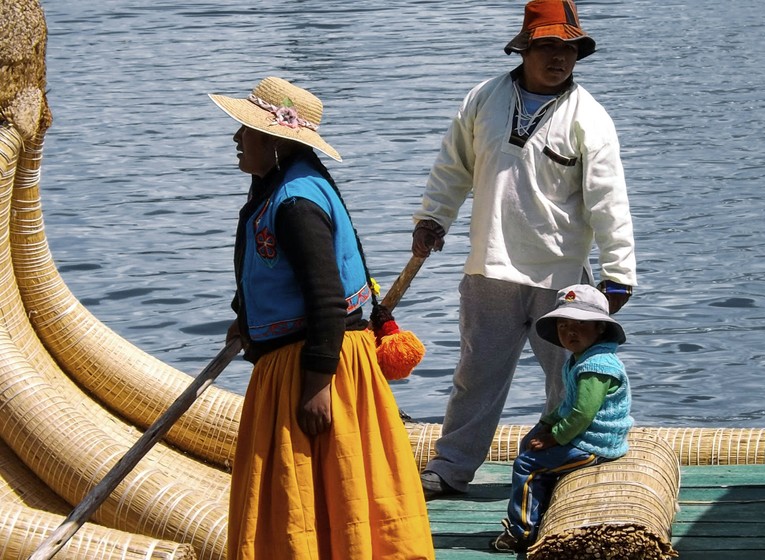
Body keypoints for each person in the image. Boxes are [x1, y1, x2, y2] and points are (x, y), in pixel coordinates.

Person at [412, 0, 637, 499]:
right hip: (487, 268)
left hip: (560, 280)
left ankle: (567, 467)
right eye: (549, 46)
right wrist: (433, 217)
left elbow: (609, 199)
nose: (559, 57)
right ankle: (450, 468)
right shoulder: (484, 99)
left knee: (569, 383)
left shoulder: (590, 119)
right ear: (525, 48)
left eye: (569, 48)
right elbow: (454, 166)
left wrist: (618, 272)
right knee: (476, 376)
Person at [209, 77, 434, 560]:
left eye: (244, 130)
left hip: (316, 366)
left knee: (312, 490)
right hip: (314, 360)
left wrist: (315, 384)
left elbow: (326, 297)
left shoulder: (295, 203)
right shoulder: (285, 185)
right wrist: (244, 320)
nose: (235, 139)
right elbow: (274, 274)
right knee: (330, 489)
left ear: (274, 141)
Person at [490, 284, 633, 553]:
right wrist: (545, 424)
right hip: (584, 434)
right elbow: (568, 405)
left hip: (596, 442)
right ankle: (538, 509)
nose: (570, 332)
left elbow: (582, 414)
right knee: (528, 443)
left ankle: (522, 532)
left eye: (580, 324)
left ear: (600, 327)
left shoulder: (596, 366)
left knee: (526, 465)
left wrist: (555, 437)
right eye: (563, 325)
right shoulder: (581, 359)